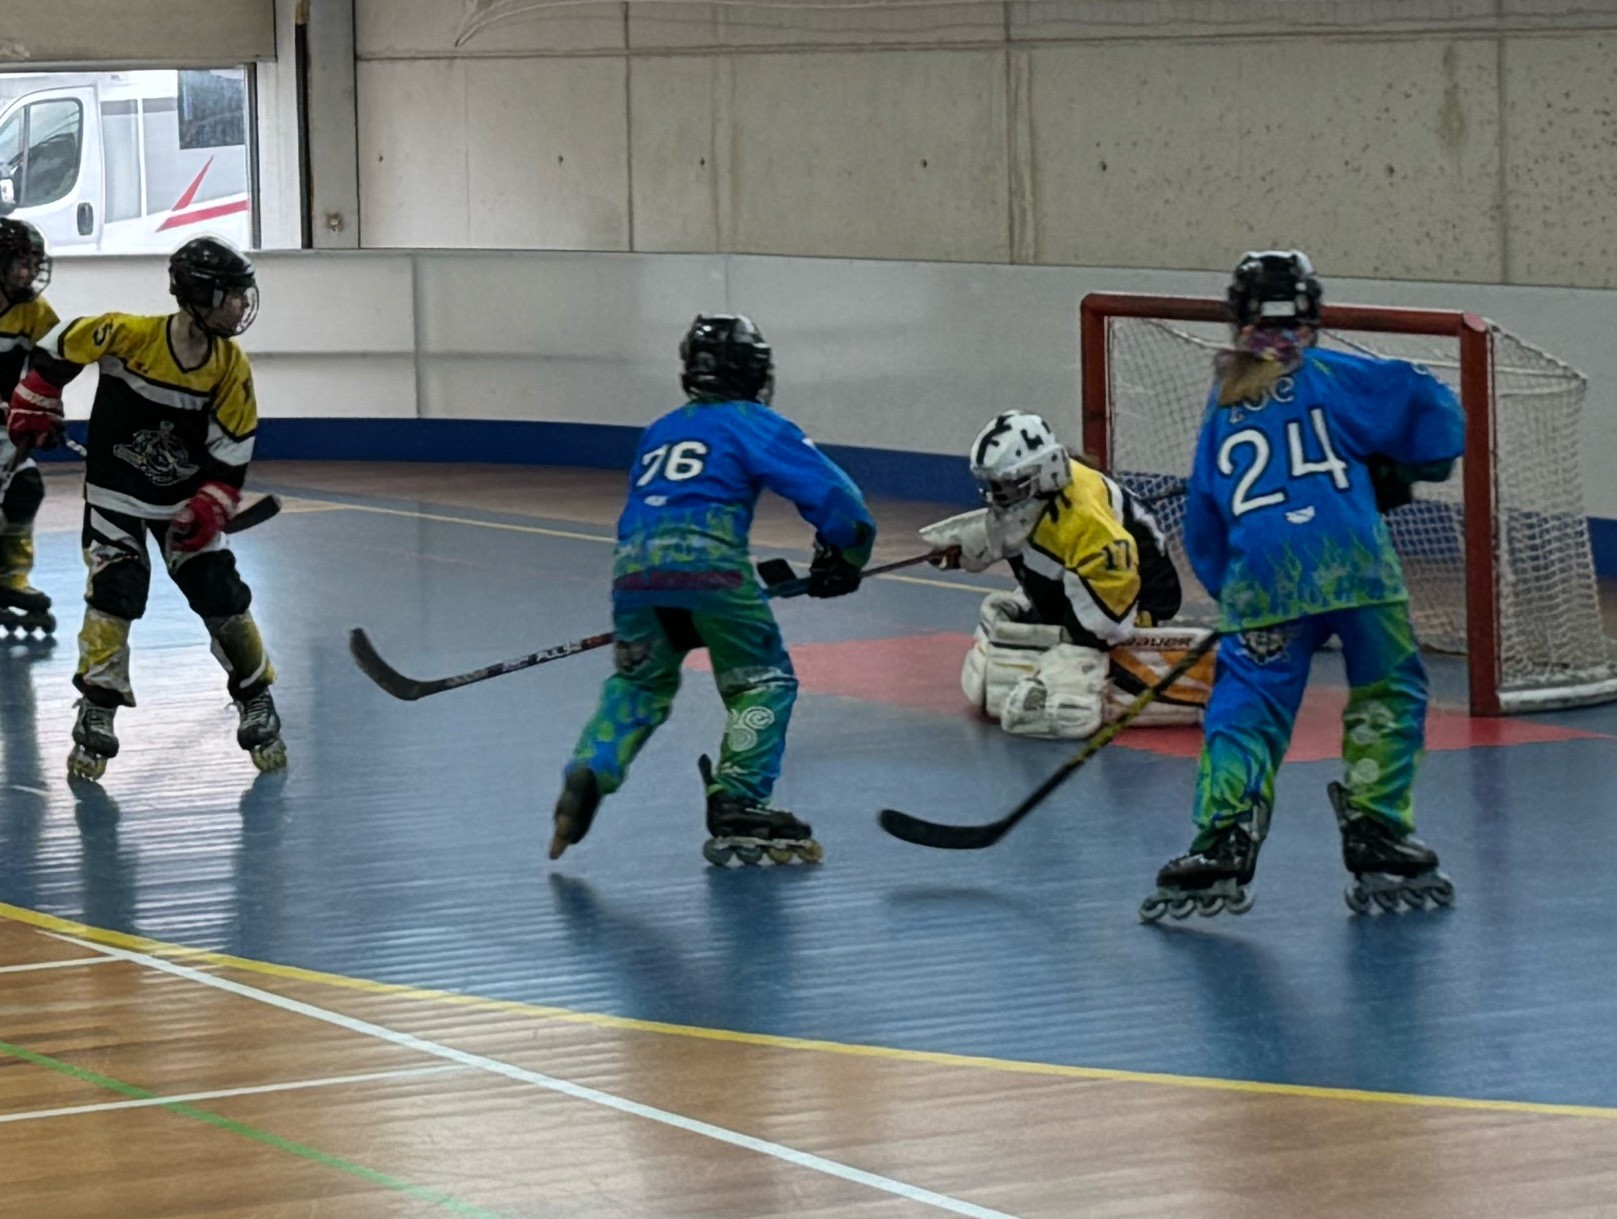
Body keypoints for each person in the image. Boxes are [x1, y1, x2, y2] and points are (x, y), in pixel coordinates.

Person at [1138, 250, 1465, 922]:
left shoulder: (1223, 404)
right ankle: (1379, 828)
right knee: (1388, 690)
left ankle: (1224, 836)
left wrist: (1234, 594)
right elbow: (1429, 409)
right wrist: (1407, 464)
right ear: (1313, 313)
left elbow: (1204, 515)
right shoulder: (1333, 375)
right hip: (1358, 568)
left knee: (1247, 703)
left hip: (1264, 582)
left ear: (1235, 319)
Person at [548, 314, 875, 867]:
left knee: (639, 685)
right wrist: (845, 556)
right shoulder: (755, 422)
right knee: (763, 681)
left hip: (634, 573)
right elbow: (837, 499)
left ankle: (590, 770)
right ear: (753, 371)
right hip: (713, 568)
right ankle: (740, 798)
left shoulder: (660, 429)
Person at [6, 235, 286, 780]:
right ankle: (97, 706)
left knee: (220, 595)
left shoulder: (231, 368)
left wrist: (211, 502)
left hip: (182, 505)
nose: (239, 306)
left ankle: (256, 695)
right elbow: (62, 345)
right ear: (198, 296)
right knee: (115, 593)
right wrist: (36, 396)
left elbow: (233, 448)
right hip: (115, 501)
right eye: (230, 295)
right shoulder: (130, 335)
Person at [919, 410, 1211, 739]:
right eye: (994, 486)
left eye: (1007, 485)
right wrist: (966, 546)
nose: (998, 495)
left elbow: (1113, 582)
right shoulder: (1037, 498)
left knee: (1087, 627)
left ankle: (1079, 678)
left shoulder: (1087, 523)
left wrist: (1084, 640)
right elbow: (1013, 532)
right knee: (1033, 583)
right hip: (1092, 568)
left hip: (1143, 587)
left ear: (1041, 473)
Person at [0, 219, 61, 637]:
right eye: (18, 263)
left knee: (26, 489)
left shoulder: (35, 312)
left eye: (32, 264)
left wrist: (49, 413)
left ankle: (11, 580)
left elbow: (54, 367)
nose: (26, 273)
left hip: (3, 426)